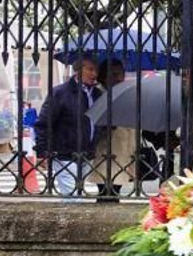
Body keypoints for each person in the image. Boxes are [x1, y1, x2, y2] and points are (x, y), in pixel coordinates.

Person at [32, 56, 102, 197]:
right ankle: (76, 218)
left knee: (77, 191)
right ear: (77, 70)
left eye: (96, 70)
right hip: (64, 153)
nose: (94, 74)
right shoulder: (60, 93)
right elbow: (44, 123)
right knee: (73, 194)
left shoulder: (97, 94)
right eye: (90, 69)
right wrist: (41, 151)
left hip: (87, 153)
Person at [89, 59, 136, 200]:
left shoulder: (126, 93)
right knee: (107, 190)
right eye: (114, 74)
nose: (119, 78)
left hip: (125, 148)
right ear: (103, 76)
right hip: (107, 150)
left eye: (121, 74)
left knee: (115, 190)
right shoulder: (98, 94)